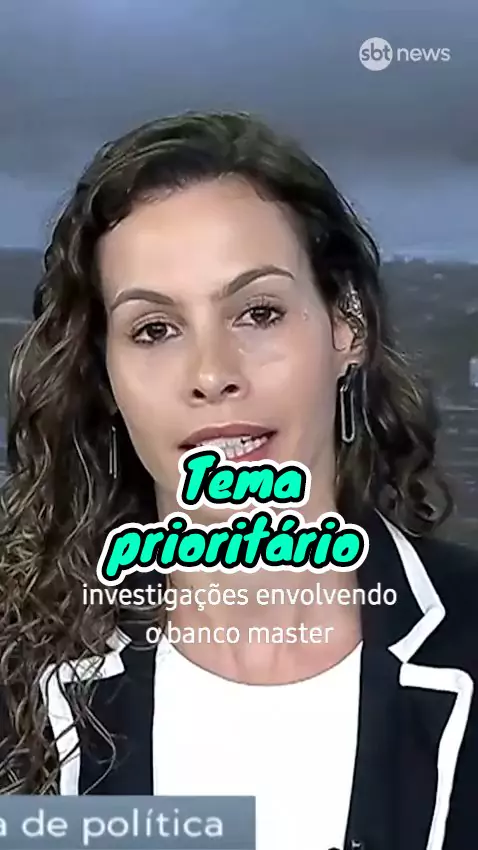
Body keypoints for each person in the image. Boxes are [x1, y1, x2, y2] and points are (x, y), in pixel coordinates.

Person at [0, 110, 477, 850]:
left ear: (345, 326)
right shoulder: (20, 670)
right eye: (154, 329)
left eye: (258, 312)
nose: (213, 373)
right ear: (104, 375)